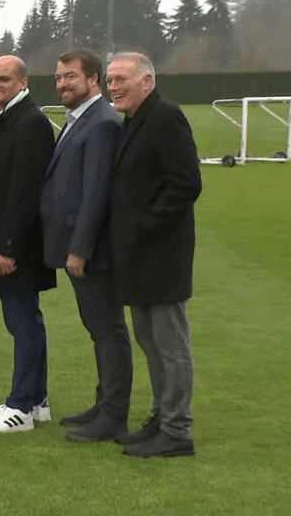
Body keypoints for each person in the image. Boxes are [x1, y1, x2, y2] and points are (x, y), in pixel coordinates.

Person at [106, 52, 201, 458]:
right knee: (149, 340)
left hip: (162, 256)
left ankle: (177, 430)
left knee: (169, 344)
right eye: (109, 80)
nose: (112, 87)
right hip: (139, 258)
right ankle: (161, 418)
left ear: (147, 81)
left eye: (121, 79)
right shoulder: (134, 121)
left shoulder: (165, 117)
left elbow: (186, 183)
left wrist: (144, 224)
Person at [40, 49, 133, 442]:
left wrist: (79, 249)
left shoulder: (103, 123)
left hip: (93, 251)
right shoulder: (82, 119)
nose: (62, 83)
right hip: (79, 248)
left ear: (93, 79)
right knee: (97, 328)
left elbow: (96, 194)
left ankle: (113, 416)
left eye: (70, 77)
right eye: (59, 77)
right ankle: (103, 403)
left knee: (108, 329)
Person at [0, 55, 57, 434]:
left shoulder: (32, 122)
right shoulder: (2, 116)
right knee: (23, 319)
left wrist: (9, 247)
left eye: (4, 79)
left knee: (23, 322)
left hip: (17, 246)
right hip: (3, 240)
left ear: (23, 82)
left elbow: (25, 191)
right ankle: (36, 400)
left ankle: (21, 407)